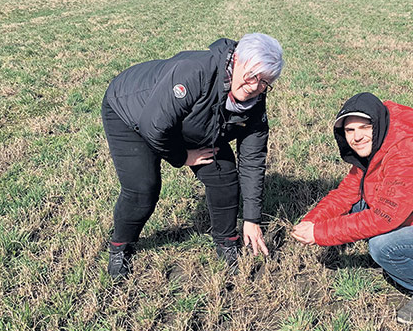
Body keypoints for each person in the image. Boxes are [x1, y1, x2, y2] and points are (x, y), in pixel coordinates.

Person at [102, 33, 284, 278]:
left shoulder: (254, 103)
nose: (255, 87)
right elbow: (153, 126)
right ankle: (119, 247)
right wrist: (182, 156)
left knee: (224, 176)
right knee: (143, 188)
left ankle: (226, 241)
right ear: (237, 59)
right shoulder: (195, 72)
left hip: (192, 120)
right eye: (252, 76)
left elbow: (252, 160)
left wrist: (251, 218)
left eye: (265, 82)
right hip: (132, 113)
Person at [292, 92, 413, 324]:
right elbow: (345, 194)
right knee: (357, 202)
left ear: (379, 124)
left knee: (382, 245)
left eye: (365, 127)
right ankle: (410, 258)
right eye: (349, 131)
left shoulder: (406, 154)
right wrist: (313, 221)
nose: (357, 137)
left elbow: (383, 219)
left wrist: (320, 234)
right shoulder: (376, 148)